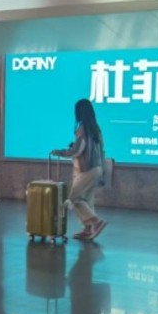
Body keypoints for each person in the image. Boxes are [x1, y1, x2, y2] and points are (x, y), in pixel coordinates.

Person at [51, 99, 107, 240]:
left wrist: (60, 152)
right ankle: (87, 229)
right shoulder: (96, 128)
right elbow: (101, 149)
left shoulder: (82, 129)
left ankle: (96, 222)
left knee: (74, 197)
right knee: (86, 199)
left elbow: (77, 151)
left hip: (87, 170)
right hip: (97, 168)